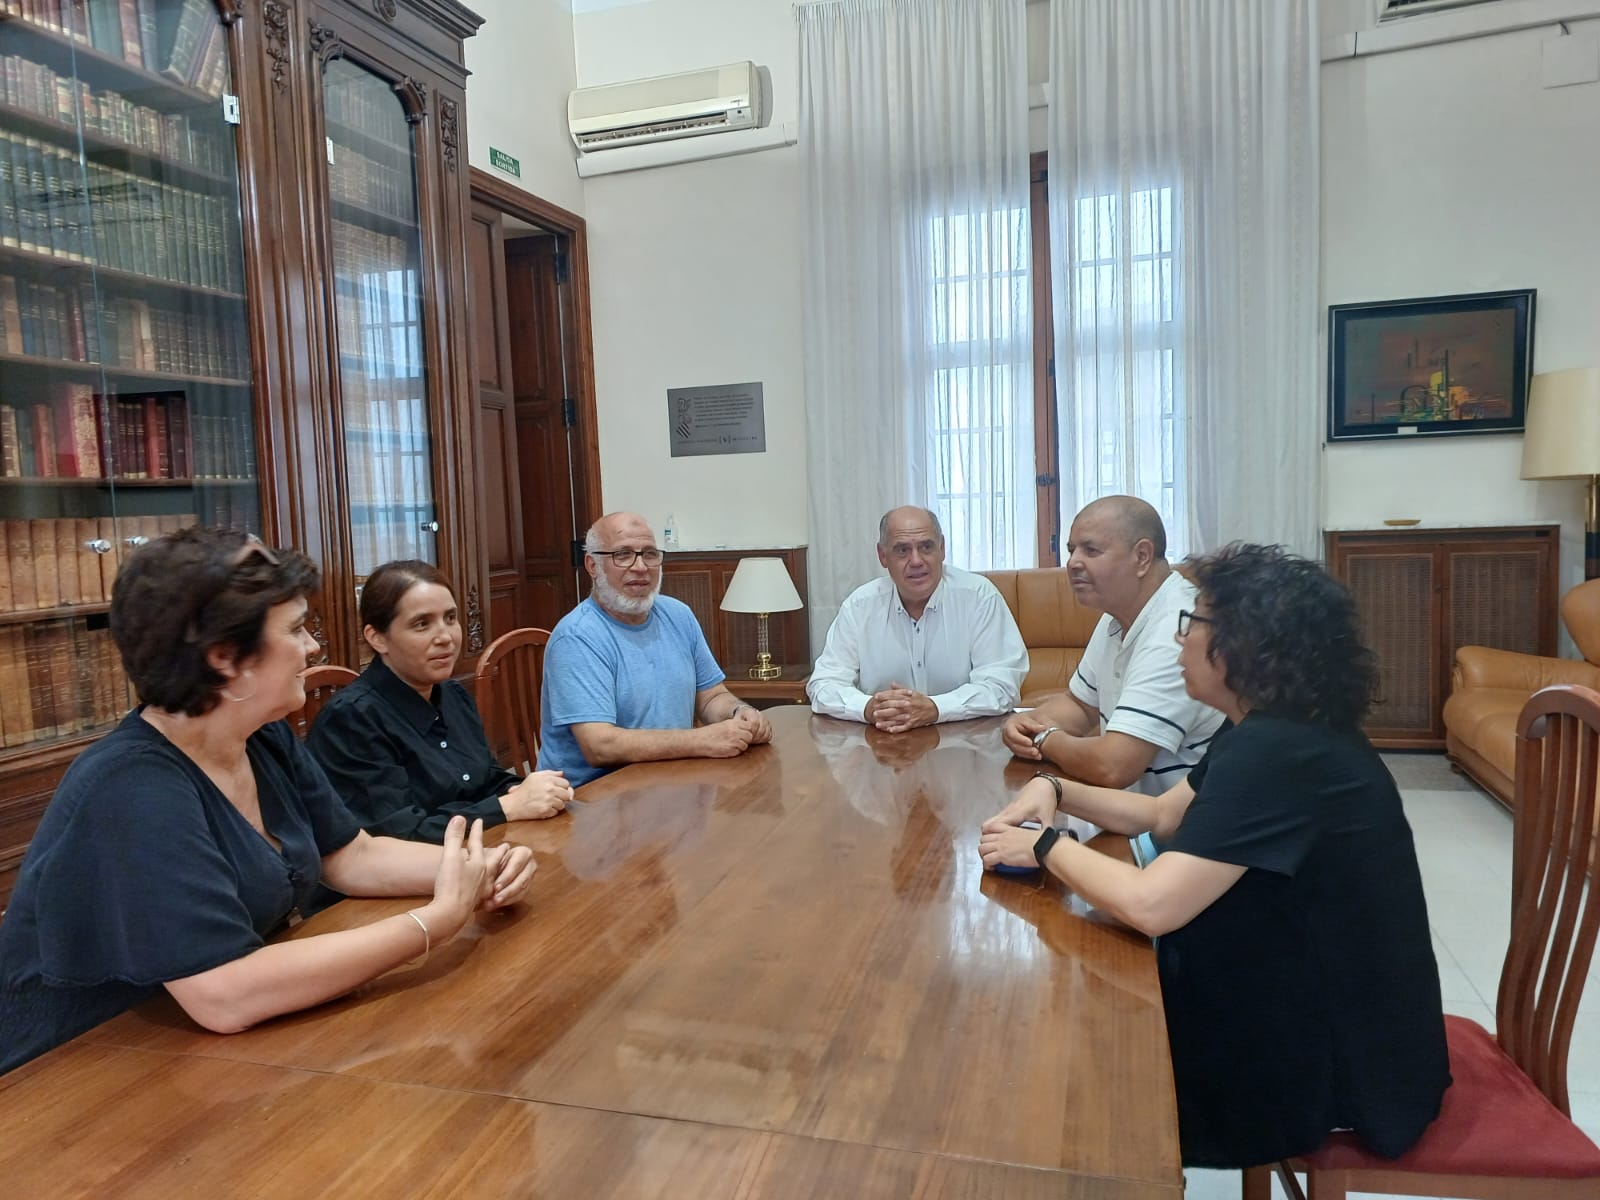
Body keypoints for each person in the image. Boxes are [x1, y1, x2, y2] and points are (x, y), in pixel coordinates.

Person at [979, 543, 1450, 1167]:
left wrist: (1045, 845)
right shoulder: (1271, 727)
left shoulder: (1281, 753)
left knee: (1072, 1074)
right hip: (1305, 1003)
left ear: (1244, 645)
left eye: (1193, 622)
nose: (1181, 639)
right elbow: (1161, 814)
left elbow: (1152, 905)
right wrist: (1056, 790)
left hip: (1340, 1065)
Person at [0, 528, 536, 1076]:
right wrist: (434, 922)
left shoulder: (261, 735)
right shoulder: (133, 786)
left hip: (198, 1049)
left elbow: (352, 856)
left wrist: (476, 867)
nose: (314, 647)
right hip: (75, 1068)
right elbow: (225, 995)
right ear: (224, 658)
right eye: (297, 629)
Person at [308, 560, 571, 842]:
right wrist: (506, 807)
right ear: (377, 639)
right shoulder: (352, 719)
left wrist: (527, 789)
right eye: (422, 624)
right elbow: (396, 835)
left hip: (480, 848)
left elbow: (485, 779)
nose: (445, 637)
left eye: (450, 618)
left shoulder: (452, 694)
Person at [1002, 495, 1222, 793]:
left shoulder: (1178, 630)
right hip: (1130, 809)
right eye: (1071, 550)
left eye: (1091, 550)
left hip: (1182, 819)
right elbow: (1080, 706)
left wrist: (1044, 738)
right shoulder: (1117, 615)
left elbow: (1114, 766)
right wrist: (1028, 724)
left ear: (1142, 556)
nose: (1073, 563)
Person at [537, 512, 772, 787]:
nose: (640, 567)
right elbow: (600, 745)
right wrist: (702, 740)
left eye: (649, 554)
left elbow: (710, 697)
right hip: (592, 797)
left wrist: (739, 713)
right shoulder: (577, 637)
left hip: (669, 780)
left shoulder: (678, 615)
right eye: (623, 555)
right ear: (592, 565)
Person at [807, 506, 1028, 732]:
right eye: (902, 550)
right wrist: (867, 708)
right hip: (882, 741)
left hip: (966, 741)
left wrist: (936, 708)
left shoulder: (979, 597)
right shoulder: (859, 607)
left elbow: (1002, 686)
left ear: (942, 548)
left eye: (926, 547)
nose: (916, 561)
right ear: (883, 556)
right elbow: (824, 685)